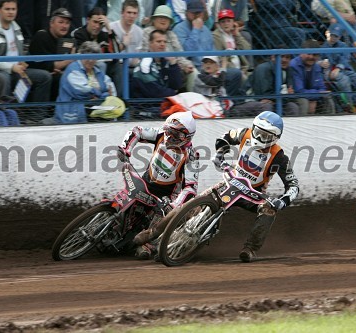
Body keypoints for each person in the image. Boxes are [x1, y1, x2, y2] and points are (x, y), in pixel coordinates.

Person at [134, 111, 299, 262]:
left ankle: (250, 249)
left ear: (275, 138)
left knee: (269, 210)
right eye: (258, 133)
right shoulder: (244, 133)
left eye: (266, 136)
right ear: (253, 128)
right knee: (191, 204)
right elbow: (224, 138)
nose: (260, 138)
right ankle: (152, 234)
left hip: (253, 194)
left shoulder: (279, 157)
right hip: (230, 182)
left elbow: (293, 186)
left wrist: (282, 201)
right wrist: (220, 153)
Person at [118, 111, 199, 259]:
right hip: (146, 182)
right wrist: (125, 149)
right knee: (123, 204)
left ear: (187, 136)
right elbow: (137, 131)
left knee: (156, 225)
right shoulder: (160, 134)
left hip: (166, 196)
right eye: (169, 131)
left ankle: (147, 245)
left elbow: (191, 188)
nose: (170, 136)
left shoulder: (191, 156)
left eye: (176, 134)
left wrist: (175, 205)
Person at [0, 0, 52, 103]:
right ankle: (3, 115)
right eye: (7, 9)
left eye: (13, 9)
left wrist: (22, 61)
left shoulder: (16, 26)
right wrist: (12, 67)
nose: (11, 12)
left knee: (45, 77)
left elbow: (19, 52)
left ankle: (36, 116)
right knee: (4, 79)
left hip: (17, 69)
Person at [173, 0, 244, 97]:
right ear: (186, 13)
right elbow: (186, 53)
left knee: (235, 73)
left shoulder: (206, 29)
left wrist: (218, 67)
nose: (196, 15)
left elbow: (213, 52)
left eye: (199, 12)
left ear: (203, 13)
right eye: (193, 13)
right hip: (195, 69)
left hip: (212, 67)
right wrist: (196, 30)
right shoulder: (179, 28)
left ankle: (226, 103)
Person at [55, 41, 117, 124]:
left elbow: (111, 89)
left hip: (91, 109)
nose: (91, 60)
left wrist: (100, 96)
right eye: (88, 57)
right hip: (72, 111)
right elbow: (81, 92)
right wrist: (101, 95)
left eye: (94, 58)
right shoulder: (73, 69)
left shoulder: (96, 70)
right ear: (81, 55)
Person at [140, 5, 195, 91]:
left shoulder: (171, 34)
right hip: (154, 67)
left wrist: (185, 65)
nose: (163, 20)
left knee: (193, 72)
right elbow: (144, 53)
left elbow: (180, 54)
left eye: (166, 18)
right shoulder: (146, 32)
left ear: (170, 22)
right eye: (160, 17)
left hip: (173, 66)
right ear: (154, 20)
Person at [28, 7, 75, 101]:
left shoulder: (69, 39)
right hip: (35, 73)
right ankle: (41, 113)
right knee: (51, 77)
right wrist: (69, 61)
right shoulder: (41, 36)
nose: (64, 26)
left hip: (56, 73)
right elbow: (45, 65)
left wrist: (63, 69)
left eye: (67, 23)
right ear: (51, 23)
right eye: (61, 22)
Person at [321, 24, 356, 112]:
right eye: (331, 35)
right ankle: (349, 106)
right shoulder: (321, 47)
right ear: (327, 33)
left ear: (339, 37)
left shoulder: (343, 45)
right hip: (328, 72)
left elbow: (345, 59)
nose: (333, 38)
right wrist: (320, 63)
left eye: (336, 36)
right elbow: (319, 61)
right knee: (345, 80)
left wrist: (338, 68)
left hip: (343, 70)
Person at [131, 29, 183, 98]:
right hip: (146, 106)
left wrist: (173, 63)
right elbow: (155, 92)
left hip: (164, 102)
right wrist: (174, 92)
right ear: (150, 43)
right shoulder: (144, 64)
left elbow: (177, 85)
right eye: (159, 41)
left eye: (165, 42)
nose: (162, 44)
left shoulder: (167, 61)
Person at [290, 39, 335, 114]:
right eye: (308, 54)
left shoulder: (316, 66)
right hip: (294, 97)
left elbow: (322, 88)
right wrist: (316, 94)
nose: (311, 57)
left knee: (328, 97)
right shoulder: (294, 65)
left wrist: (314, 97)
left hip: (311, 96)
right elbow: (299, 91)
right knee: (304, 101)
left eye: (315, 54)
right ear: (301, 53)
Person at [248, 50, 301, 115]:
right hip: (251, 100)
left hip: (276, 101)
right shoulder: (264, 68)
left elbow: (290, 93)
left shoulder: (289, 70)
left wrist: (286, 95)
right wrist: (285, 95)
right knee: (266, 106)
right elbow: (264, 95)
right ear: (273, 57)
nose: (284, 60)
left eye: (287, 57)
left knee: (292, 106)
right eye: (282, 56)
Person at [109, 0, 143, 94]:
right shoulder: (111, 28)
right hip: (115, 65)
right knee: (120, 69)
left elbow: (138, 55)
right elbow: (110, 53)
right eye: (129, 12)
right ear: (122, 13)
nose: (131, 16)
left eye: (134, 13)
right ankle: (122, 102)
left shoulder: (139, 31)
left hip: (132, 66)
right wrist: (124, 44)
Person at [212, 9, 251, 75]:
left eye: (228, 21)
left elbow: (247, 49)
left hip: (242, 68)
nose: (226, 24)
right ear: (219, 24)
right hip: (227, 70)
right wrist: (237, 71)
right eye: (223, 22)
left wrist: (237, 35)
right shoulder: (216, 36)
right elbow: (219, 58)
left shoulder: (234, 33)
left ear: (233, 22)